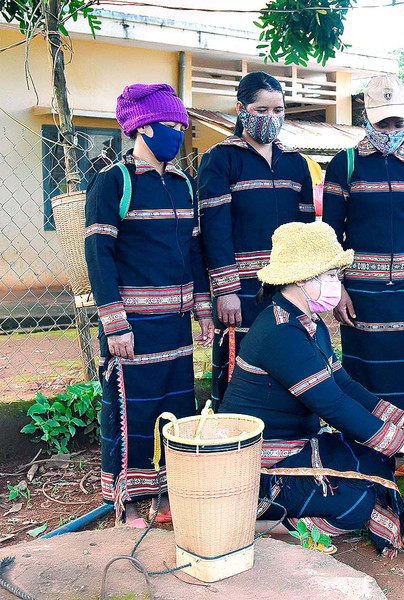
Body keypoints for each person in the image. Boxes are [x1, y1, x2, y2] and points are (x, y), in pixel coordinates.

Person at [219, 221, 404, 555]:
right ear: (302, 278)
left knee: (377, 460)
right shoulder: (280, 333)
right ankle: (251, 524)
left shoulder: (305, 322)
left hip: (296, 447)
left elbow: (342, 384)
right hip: (257, 468)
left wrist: (402, 421)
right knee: (356, 502)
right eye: (331, 275)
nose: (337, 283)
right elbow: (332, 404)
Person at [85, 83, 214, 527]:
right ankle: (130, 502)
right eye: (170, 124)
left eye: (181, 124)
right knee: (131, 409)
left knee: (174, 406)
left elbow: (194, 253)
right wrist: (114, 324)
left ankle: (164, 492)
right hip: (133, 326)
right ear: (143, 127)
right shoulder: (113, 182)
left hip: (175, 325)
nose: (178, 132)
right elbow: (99, 255)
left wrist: (203, 309)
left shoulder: (184, 185)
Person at [322, 75, 404, 422]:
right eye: (384, 122)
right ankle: (367, 447)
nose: (392, 129)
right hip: (361, 294)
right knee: (364, 374)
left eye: (399, 122)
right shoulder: (345, 164)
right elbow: (331, 236)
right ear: (366, 116)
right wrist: (336, 289)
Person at [198, 71, 314, 408]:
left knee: (292, 361)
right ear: (241, 109)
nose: (271, 118)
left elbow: (307, 230)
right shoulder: (220, 159)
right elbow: (214, 230)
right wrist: (226, 291)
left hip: (291, 287)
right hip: (242, 291)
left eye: (278, 110)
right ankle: (233, 450)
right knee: (239, 371)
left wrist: (309, 283)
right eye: (261, 111)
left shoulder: (296, 163)